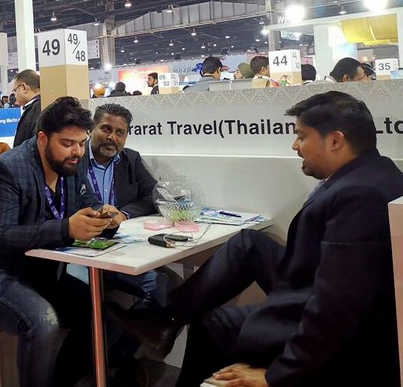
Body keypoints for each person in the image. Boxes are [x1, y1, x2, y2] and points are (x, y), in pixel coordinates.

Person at [114, 91, 403, 387]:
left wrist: (276, 375)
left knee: (211, 324)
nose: (295, 145)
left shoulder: (358, 197)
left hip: (334, 324)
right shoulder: (379, 172)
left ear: (335, 141)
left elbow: (339, 308)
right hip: (315, 285)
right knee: (248, 242)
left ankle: (166, 324)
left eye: (301, 136)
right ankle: (166, 321)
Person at [0, 97, 121, 387]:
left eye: (81, 143)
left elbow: (87, 202)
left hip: (41, 273)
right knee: (42, 322)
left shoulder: (71, 164)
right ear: (42, 138)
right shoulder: (9, 168)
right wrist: (66, 228)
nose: (77, 152)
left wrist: (105, 216)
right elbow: (1, 235)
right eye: (67, 143)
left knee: (102, 315)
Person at [82, 103, 178, 307]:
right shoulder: (74, 159)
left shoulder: (130, 159)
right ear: (91, 128)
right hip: (82, 249)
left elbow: (153, 195)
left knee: (171, 285)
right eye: (106, 129)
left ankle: (122, 328)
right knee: (160, 287)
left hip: (120, 247)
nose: (112, 137)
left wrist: (124, 214)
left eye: (120, 133)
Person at [12, 69, 41, 147]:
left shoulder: (37, 108)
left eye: (15, 91)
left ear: (24, 87)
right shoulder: (36, 106)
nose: (15, 95)